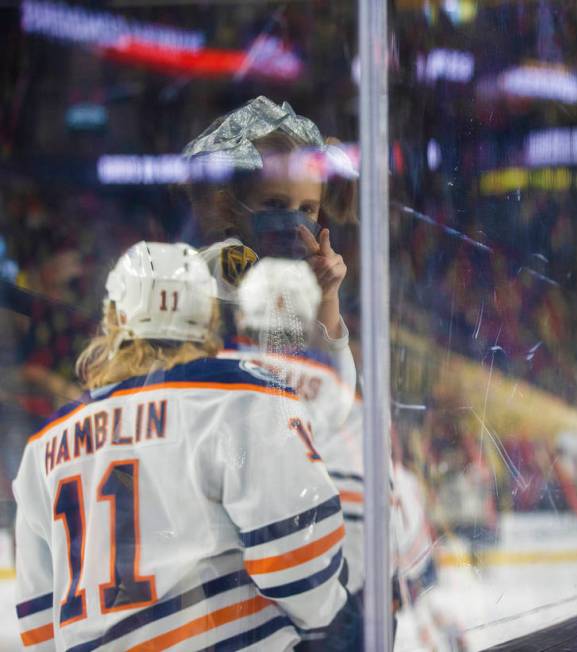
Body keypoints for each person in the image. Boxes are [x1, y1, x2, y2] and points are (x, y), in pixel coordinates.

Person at [13, 242, 347, 650]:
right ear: (207, 315)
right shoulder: (239, 398)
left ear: (115, 318)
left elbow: (39, 623)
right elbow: (300, 561)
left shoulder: (43, 448)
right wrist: (331, 621)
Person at [224, 257, 362, 651]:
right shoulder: (335, 387)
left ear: (242, 318)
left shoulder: (211, 378)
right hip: (318, 572)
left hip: (235, 591)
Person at [181, 95, 356, 358]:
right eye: (275, 204)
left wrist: (328, 297)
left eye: (307, 209)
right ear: (233, 205)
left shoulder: (302, 279)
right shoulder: (221, 262)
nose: (293, 220)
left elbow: (333, 388)